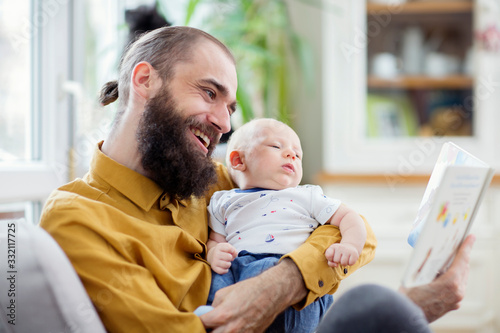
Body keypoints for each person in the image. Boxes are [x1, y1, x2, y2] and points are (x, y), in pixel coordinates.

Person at [38, 26, 473, 332]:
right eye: (210, 93)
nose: (223, 124)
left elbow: (353, 230)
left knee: (376, 309)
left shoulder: (216, 180)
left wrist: (281, 282)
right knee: (379, 310)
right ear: (145, 80)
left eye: (229, 107)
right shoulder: (79, 217)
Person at [200, 118, 367, 332]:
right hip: (239, 267)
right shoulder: (223, 200)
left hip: (290, 271)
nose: (291, 155)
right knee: (218, 276)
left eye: (298, 155)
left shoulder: (307, 195)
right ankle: (212, 318)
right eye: (276, 146)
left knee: (304, 306)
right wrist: (214, 253)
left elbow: (350, 217)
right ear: (238, 160)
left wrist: (351, 245)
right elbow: (215, 239)